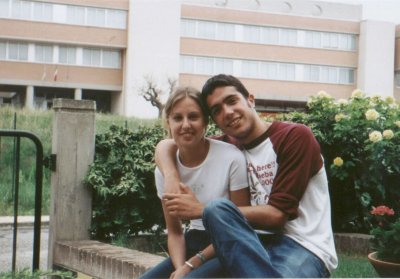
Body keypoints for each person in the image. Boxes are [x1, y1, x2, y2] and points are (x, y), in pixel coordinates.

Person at [156, 74, 338, 278]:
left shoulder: (294, 137)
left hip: (302, 244)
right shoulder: (228, 147)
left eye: (232, 101)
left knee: (218, 208)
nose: (228, 112)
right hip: (248, 242)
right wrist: (170, 175)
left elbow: (277, 217)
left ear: (250, 99)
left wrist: (201, 210)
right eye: (217, 110)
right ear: (213, 120)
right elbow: (169, 145)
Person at [140, 86, 250, 279]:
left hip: (227, 243)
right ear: (168, 122)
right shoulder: (164, 171)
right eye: (177, 118)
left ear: (206, 121)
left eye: (193, 116)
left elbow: (239, 226)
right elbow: (175, 232)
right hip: (194, 240)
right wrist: (180, 267)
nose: (185, 125)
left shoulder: (231, 158)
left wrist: (191, 265)